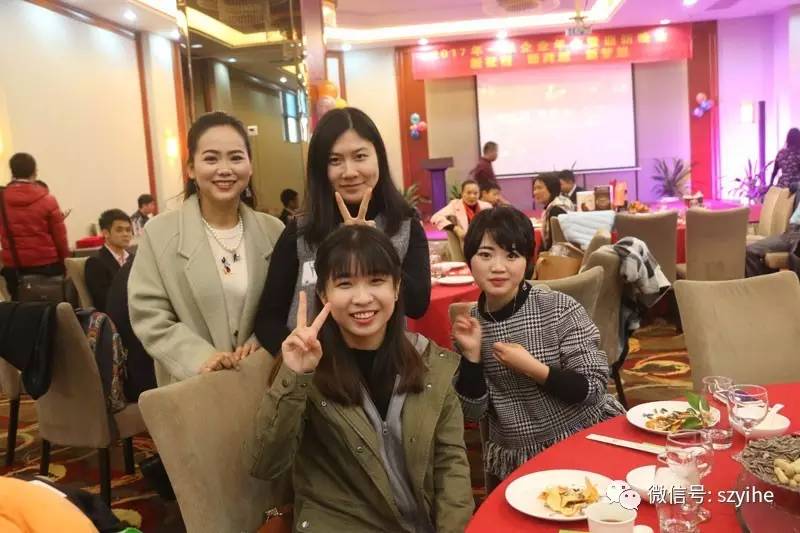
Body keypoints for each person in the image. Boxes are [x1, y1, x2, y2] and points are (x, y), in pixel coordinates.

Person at [250, 225, 474, 531]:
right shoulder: (305, 366)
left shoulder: (431, 363)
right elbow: (266, 464)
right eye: (345, 284)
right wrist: (295, 377)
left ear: (396, 287)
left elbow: (451, 466)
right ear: (323, 293)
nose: (362, 298)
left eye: (376, 281)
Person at [452, 206, 625, 491]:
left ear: (527, 262)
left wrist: (533, 368)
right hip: (518, 456)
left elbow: (594, 388)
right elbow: (472, 413)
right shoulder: (471, 326)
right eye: (485, 255)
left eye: (512, 255)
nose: (498, 267)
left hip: (582, 434)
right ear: (469, 259)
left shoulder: (557, 308)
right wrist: (471, 358)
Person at [254, 107, 431, 356]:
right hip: (311, 371)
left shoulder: (404, 224)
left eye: (360, 156)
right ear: (321, 168)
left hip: (382, 369)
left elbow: (417, 304)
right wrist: (299, 361)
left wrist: (375, 247)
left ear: (378, 157)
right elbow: (267, 320)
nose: (349, 172)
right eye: (335, 160)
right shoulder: (300, 231)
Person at [128, 111, 284, 385]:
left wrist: (263, 338)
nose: (224, 169)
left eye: (236, 157)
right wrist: (201, 357)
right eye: (211, 159)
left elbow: (287, 303)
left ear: (250, 166)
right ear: (191, 168)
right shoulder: (160, 233)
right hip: (194, 385)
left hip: (263, 380)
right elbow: (149, 313)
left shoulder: (274, 231)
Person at [0, 153, 69, 301]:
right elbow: (60, 237)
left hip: (14, 266)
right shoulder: (48, 199)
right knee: (50, 307)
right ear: (34, 172)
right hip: (47, 265)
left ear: (12, 171)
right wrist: (65, 261)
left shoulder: (2, 199)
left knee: (20, 308)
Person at [85, 209, 133, 312]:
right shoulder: (96, 263)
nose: (126, 234)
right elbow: (104, 302)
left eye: (128, 230)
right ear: (106, 233)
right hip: (117, 315)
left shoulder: (133, 258)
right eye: (119, 230)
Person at [746, 194, 800, 277]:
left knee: (797, 251)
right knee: (749, 251)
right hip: (790, 232)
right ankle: (759, 284)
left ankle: (794, 284)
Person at [533, 171, 575, 252]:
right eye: (534, 189)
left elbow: (553, 244)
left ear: (552, 188)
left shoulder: (556, 210)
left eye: (539, 188)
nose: (535, 192)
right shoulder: (556, 205)